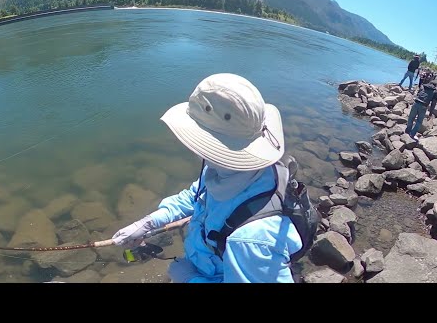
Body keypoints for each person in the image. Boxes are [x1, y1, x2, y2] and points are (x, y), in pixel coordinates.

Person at [111, 73, 302, 283]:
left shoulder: (251, 239)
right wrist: (151, 221)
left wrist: (190, 279)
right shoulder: (232, 169)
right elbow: (196, 194)